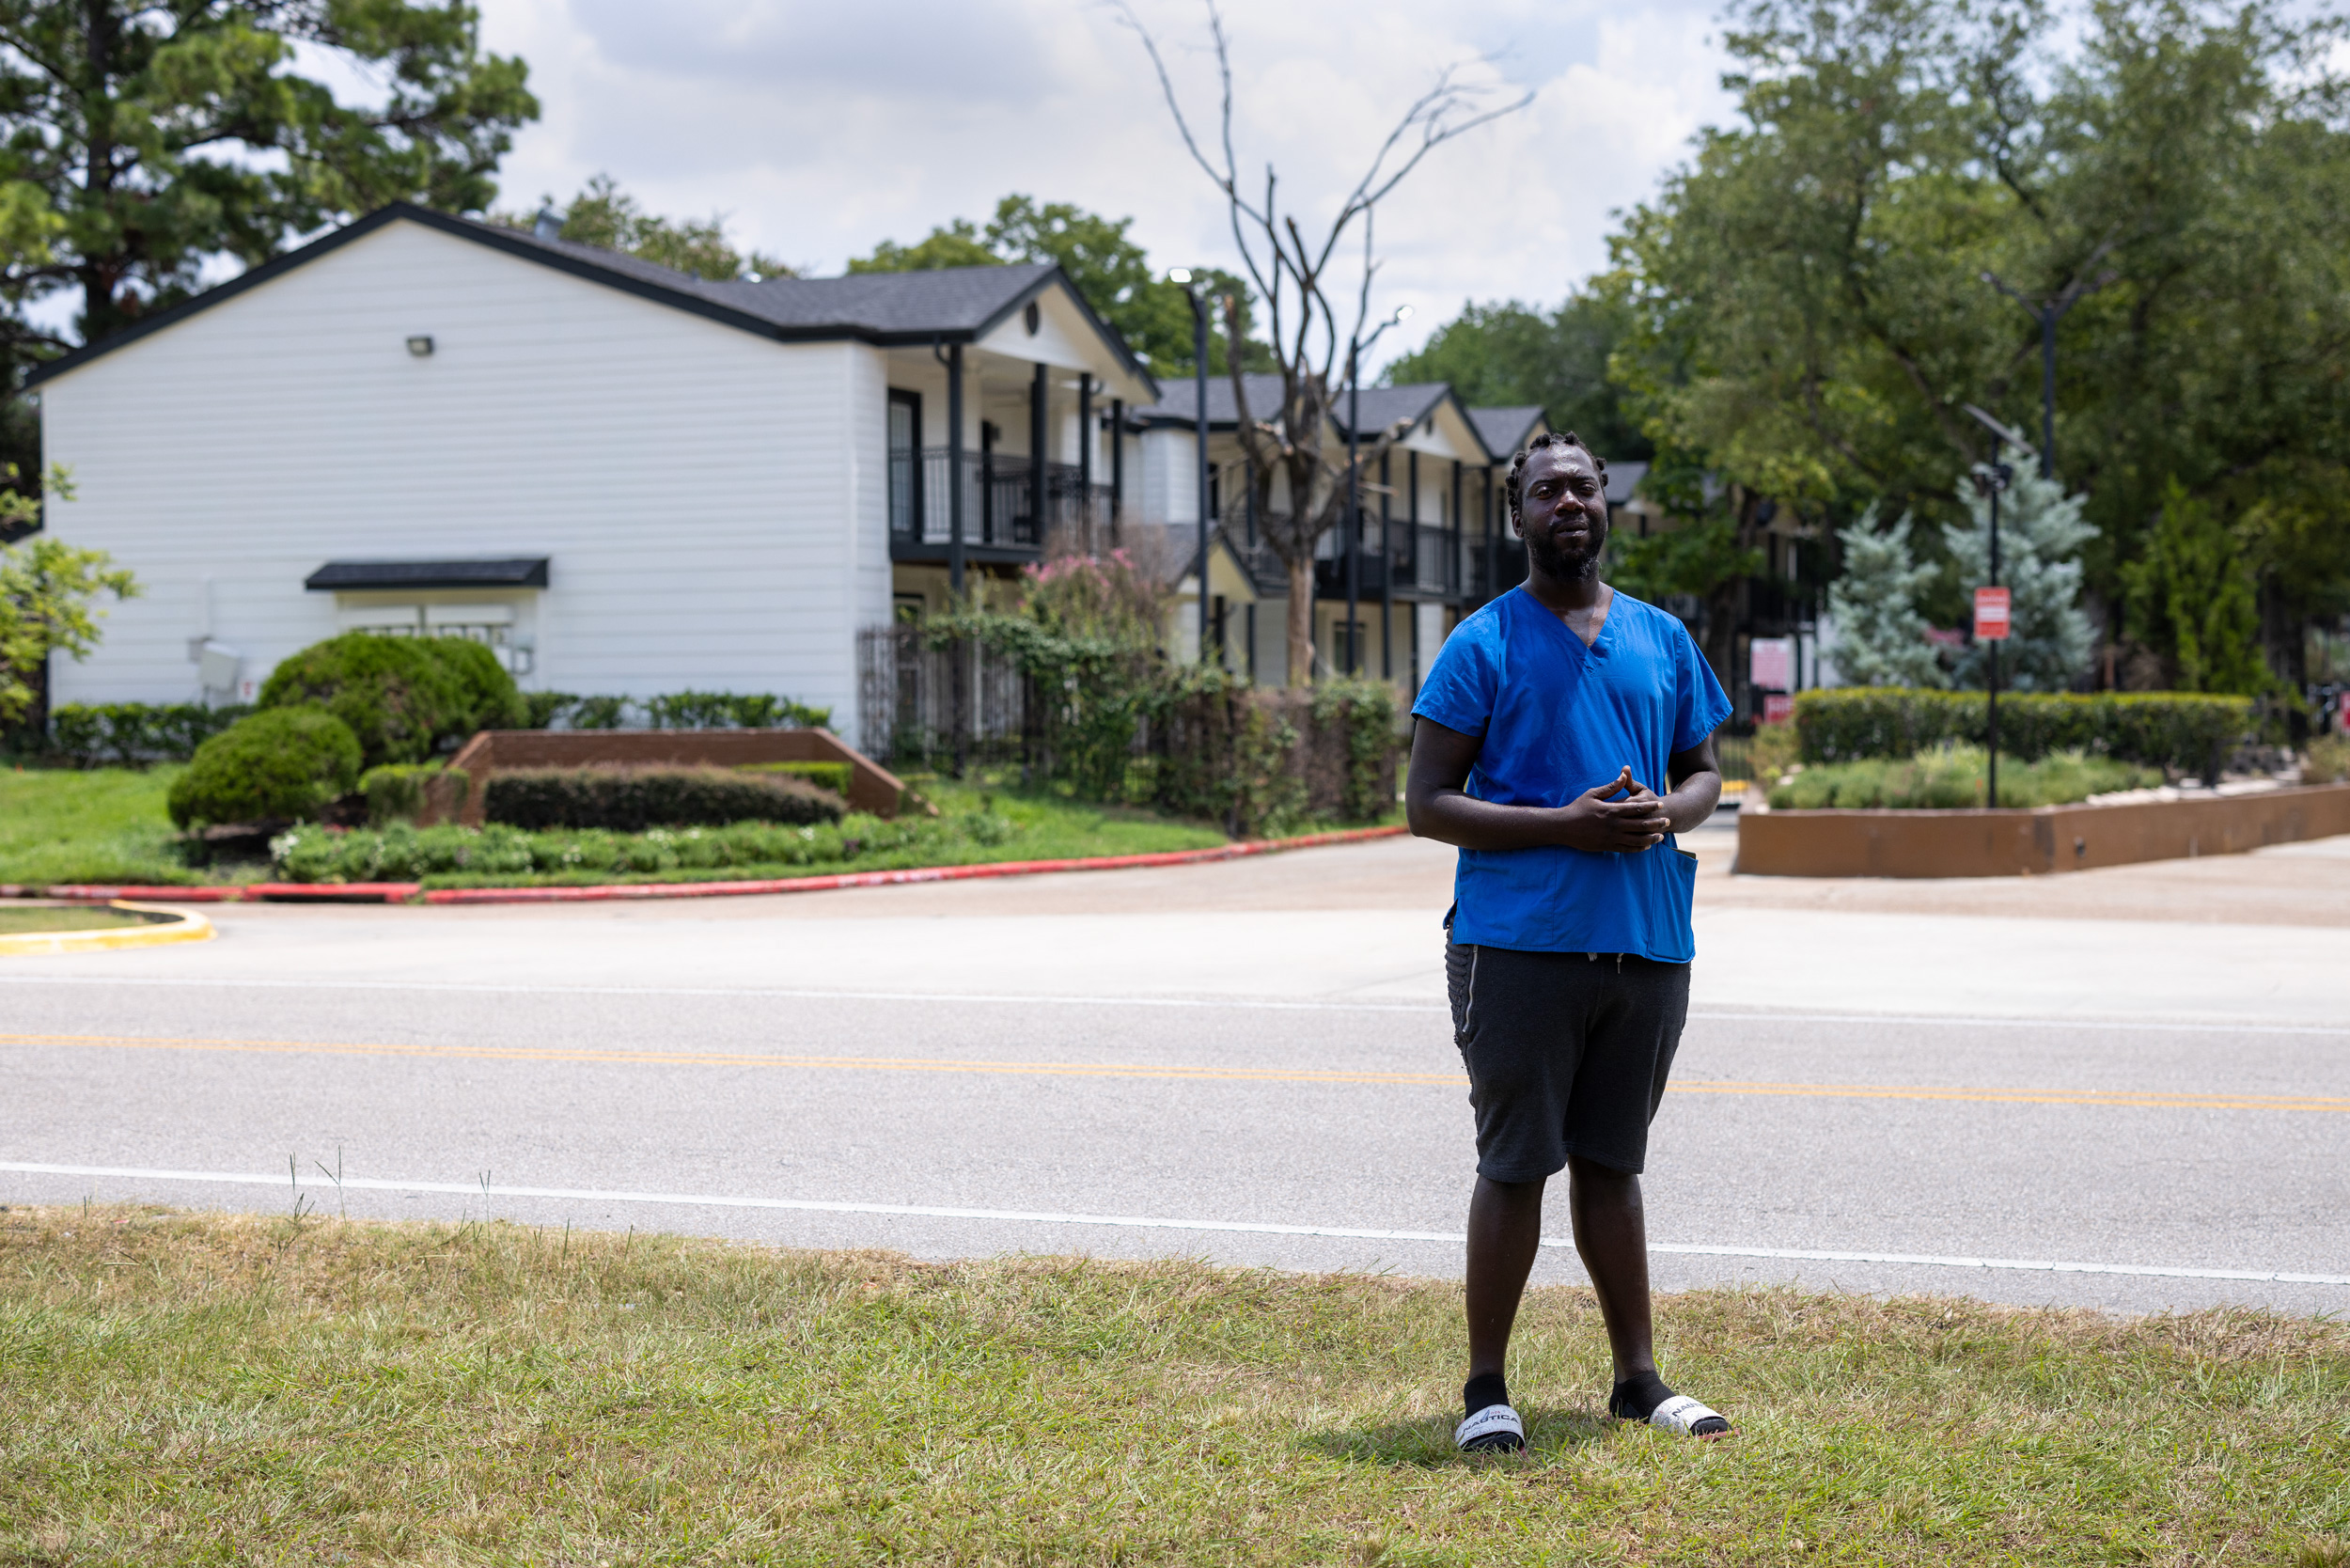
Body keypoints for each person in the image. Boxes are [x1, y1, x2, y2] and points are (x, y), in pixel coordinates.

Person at [1404, 430, 1734, 1454]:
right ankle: (1485, 1389)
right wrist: (1566, 824)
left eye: (1581, 488)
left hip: (1644, 941)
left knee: (1611, 1164)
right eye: (1545, 491)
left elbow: (1704, 770)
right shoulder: (1483, 643)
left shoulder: (1662, 638)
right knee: (1514, 1165)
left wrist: (1668, 815)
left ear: (1605, 505)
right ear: (1518, 516)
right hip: (1519, 944)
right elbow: (1426, 803)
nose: (1567, 504)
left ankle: (1637, 1380)